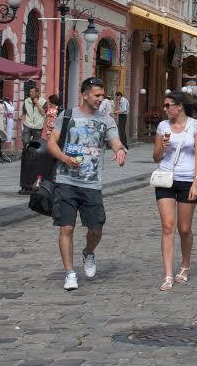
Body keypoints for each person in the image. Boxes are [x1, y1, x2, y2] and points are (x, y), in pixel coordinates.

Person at [46, 76, 127, 291]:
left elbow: (115, 140)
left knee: (96, 229)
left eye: (103, 95)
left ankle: (88, 253)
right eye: (97, 95)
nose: (101, 99)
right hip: (66, 181)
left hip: (92, 183)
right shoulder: (67, 115)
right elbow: (51, 143)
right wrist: (64, 158)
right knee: (66, 227)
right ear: (84, 95)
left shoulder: (106, 119)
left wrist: (120, 150)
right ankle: (70, 273)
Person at [153, 92, 197, 291]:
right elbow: (156, 157)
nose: (165, 109)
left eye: (168, 106)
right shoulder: (162, 127)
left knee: (184, 229)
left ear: (180, 106)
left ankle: (185, 264)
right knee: (167, 226)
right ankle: (167, 274)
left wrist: (195, 183)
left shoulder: (196, 126)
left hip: (187, 180)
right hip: (165, 179)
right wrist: (162, 148)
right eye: (164, 106)